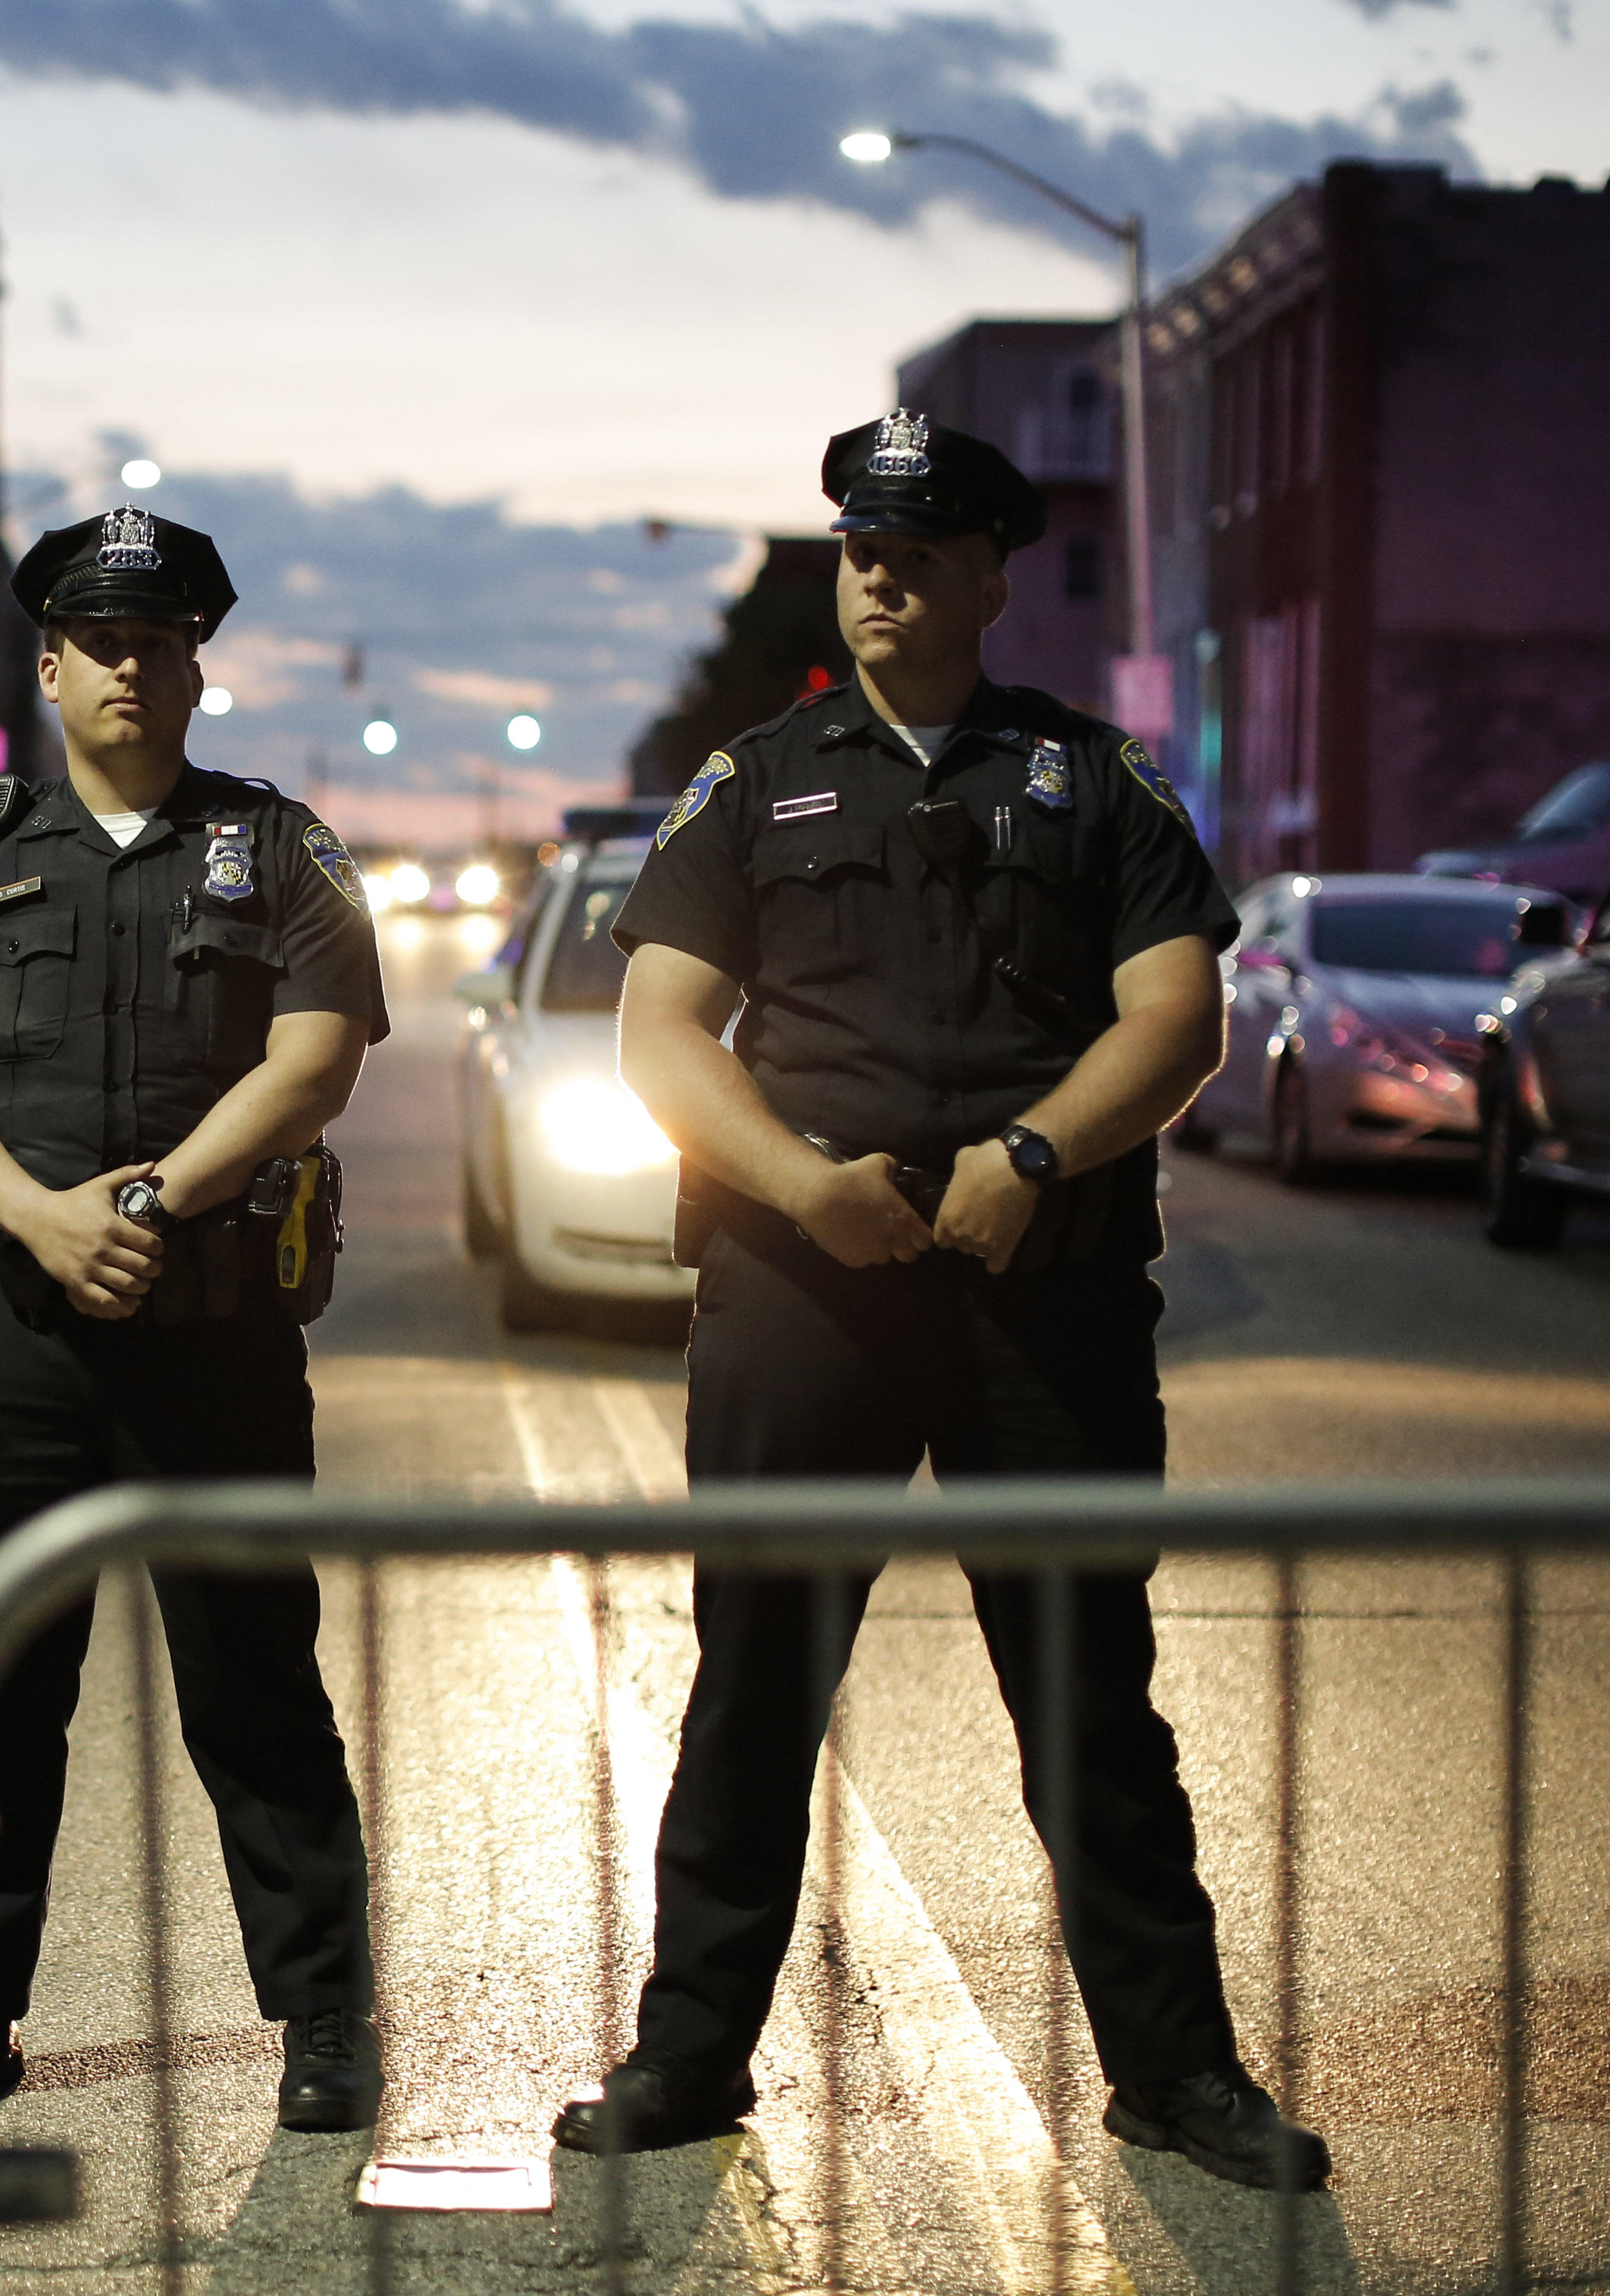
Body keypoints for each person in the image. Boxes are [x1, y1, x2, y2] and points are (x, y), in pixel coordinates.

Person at [553, 415, 1330, 2192]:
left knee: (1089, 1697)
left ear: (994, 574)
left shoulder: (1096, 782)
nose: (882, 572)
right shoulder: (756, 783)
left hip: (1032, 1293)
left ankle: (1175, 2074)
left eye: (920, 547)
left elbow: (1176, 1017)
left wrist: (1036, 1159)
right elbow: (662, 1029)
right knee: (755, 1685)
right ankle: (688, 2063)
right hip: (799, 1285)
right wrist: (798, 1178)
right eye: (860, 547)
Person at [0, 507, 385, 2135]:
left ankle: (324, 2021)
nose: (130, 669)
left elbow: (316, 1059)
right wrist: (38, 1218)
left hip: (211, 1332)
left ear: (195, 664)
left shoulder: (278, 847)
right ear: (49, 663)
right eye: (101, 643)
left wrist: (153, 1205)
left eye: (159, 643)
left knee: (255, 1689)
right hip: (11, 1336)